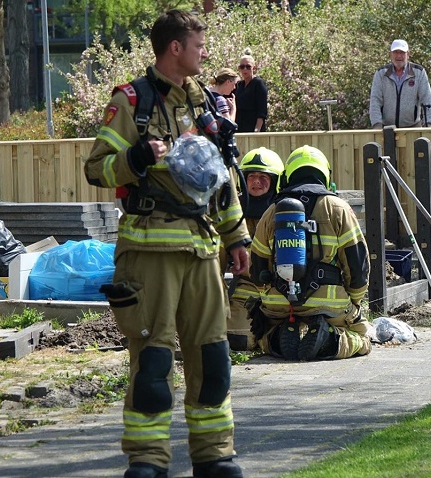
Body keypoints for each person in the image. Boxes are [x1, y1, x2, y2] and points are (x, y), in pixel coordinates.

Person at [83, 10, 249, 478]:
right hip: (148, 251)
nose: (203, 52)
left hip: (202, 251)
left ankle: (214, 456)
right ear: (174, 47)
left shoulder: (206, 105)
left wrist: (236, 237)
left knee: (212, 358)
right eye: (198, 45)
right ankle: (148, 461)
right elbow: (96, 168)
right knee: (154, 360)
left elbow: (221, 179)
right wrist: (134, 158)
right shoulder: (131, 100)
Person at [248, 145, 371, 361]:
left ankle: (276, 338)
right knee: (362, 335)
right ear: (325, 174)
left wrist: (269, 296)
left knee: (262, 336)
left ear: (287, 176)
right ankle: (330, 342)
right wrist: (355, 301)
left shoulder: (271, 211)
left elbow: (257, 264)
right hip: (328, 304)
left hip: (280, 304)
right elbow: (357, 265)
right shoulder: (338, 208)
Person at [226, 147, 284, 351]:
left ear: (275, 181)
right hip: (247, 287)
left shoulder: (285, 211)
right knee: (238, 342)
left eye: (263, 177)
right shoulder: (233, 211)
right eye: (251, 177)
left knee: (284, 342)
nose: (257, 182)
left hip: (281, 288)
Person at [369, 39, 431, 129]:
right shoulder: (381, 73)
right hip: (387, 129)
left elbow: (427, 100)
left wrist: (429, 125)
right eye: (395, 52)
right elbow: (375, 102)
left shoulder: (419, 72)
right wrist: (377, 126)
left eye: (402, 52)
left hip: (413, 128)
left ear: (408, 54)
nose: (399, 56)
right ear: (391, 54)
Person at [234, 49, 268, 133]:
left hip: (253, 128)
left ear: (254, 67)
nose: (245, 69)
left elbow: (262, 111)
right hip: (239, 127)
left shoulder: (258, 84)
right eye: (242, 67)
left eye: (248, 67)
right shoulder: (239, 85)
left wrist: (256, 132)